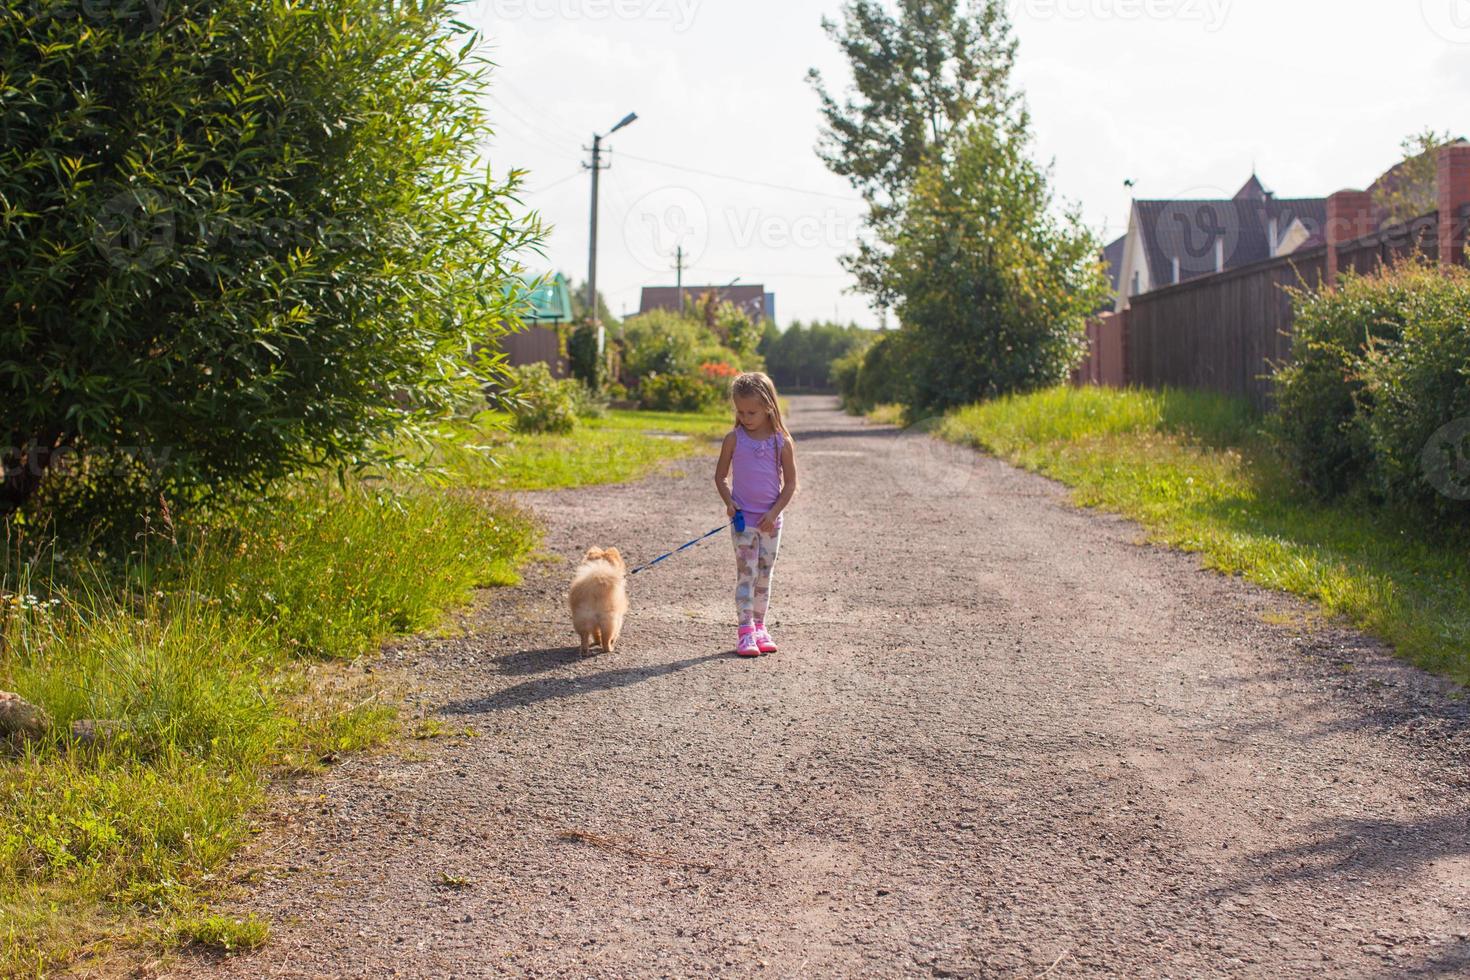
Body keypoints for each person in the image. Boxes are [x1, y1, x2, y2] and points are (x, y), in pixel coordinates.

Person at [713, 372, 798, 658]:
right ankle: (745, 630)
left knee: (764, 575)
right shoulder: (733, 439)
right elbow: (721, 477)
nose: (745, 417)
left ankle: (760, 627)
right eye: (740, 411)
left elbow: (790, 485)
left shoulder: (781, 442)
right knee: (746, 574)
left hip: (771, 522)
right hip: (743, 522)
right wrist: (729, 502)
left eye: (752, 411)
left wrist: (774, 513)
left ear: (768, 408)